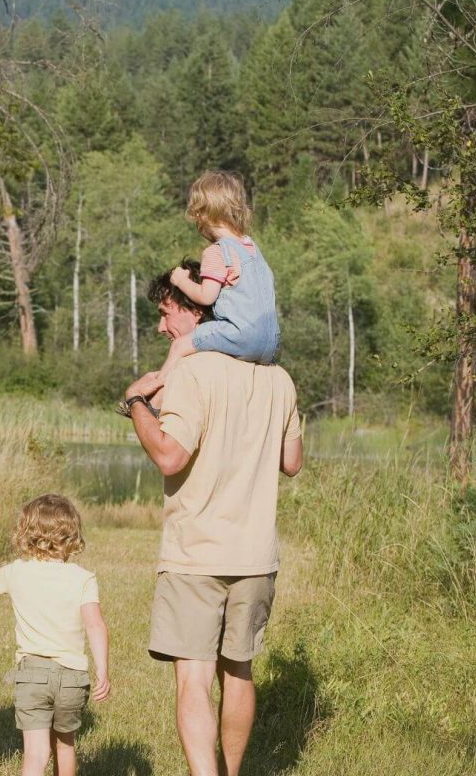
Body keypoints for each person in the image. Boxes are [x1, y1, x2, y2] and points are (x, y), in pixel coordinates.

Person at [121, 261, 303, 776]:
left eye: (165, 313)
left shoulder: (194, 374)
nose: (161, 326)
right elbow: (292, 463)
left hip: (196, 552)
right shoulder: (279, 378)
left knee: (194, 678)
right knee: (239, 670)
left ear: (196, 307)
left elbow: (170, 456)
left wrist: (135, 403)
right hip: (256, 555)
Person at [0, 494, 111, 776]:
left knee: (36, 753)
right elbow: (96, 625)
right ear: (71, 536)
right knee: (65, 746)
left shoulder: (17, 572)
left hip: (32, 674)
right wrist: (102, 671)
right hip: (73, 676)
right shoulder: (83, 578)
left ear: (26, 533)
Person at [122, 172, 279, 421]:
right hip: (270, 344)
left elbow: (206, 297)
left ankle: (157, 395)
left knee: (181, 345)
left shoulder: (217, 252)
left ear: (203, 214)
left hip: (241, 334)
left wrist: (181, 280)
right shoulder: (252, 249)